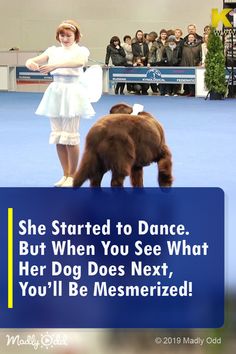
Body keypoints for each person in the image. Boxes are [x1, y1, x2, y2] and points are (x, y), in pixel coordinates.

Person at [25, 20, 102, 187]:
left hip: (72, 92)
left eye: (68, 35)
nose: (65, 38)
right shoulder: (52, 50)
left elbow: (79, 62)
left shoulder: (81, 50)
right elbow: (34, 60)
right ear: (57, 36)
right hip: (55, 93)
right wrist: (30, 63)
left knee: (71, 137)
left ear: (76, 36)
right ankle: (65, 174)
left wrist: (54, 65)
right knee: (59, 136)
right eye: (62, 35)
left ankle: (74, 176)